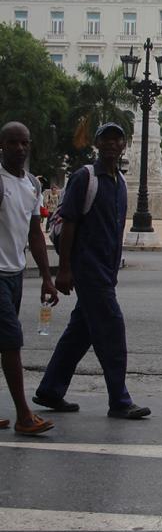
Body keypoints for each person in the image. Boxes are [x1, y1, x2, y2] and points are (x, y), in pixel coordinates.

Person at [34, 123, 151, 420]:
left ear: (123, 145)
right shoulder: (85, 177)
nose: (111, 144)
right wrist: (64, 269)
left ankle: (50, 390)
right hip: (88, 269)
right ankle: (119, 400)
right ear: (97, 144)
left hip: (105, 272)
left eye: (116, 139)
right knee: (112, 332)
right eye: (105, 139)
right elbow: (69, 223)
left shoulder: (119, 182)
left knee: (80, 332)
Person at [0, 123, 57, 435]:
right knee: (11, 342)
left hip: (15, 274)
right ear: (2, 145)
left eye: (24, 142)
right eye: (12, 142)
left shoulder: (32, 184)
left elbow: (35, 234)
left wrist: (47, 278)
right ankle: (23, 415)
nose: (19, 148)